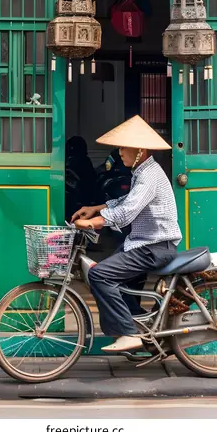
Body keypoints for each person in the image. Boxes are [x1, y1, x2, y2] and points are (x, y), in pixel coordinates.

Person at [71, 115, 181, 354]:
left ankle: (128, 333)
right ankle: (145, 331)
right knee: (116, 283)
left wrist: (92, 223)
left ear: (140, 150)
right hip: (143, 244)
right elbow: (126, 201)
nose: (119, 152)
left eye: (123, 147)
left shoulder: (149, 176)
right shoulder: (142, 172)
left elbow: (127, 212)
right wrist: (97, 208)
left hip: (154, 247)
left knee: (99, 276)